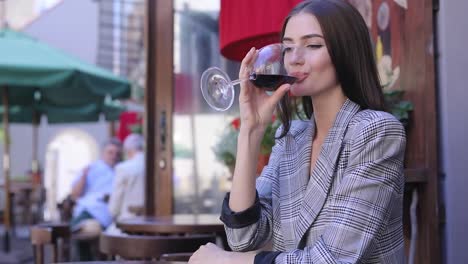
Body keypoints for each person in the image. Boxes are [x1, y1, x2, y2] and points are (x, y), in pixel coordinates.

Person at [189, 0, 406, 263]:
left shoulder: (376, 132)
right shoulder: (290, 137)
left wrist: (223, 261)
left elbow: (332, 259)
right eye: (288, 47)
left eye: (313, 45)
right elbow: (243, 238)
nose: (294, 58)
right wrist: (251, 132)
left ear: (346, 51)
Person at [70, 138, 122, 232]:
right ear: (103, 153)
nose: (114, 156)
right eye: (110, 152)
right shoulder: (91, 168)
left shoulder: (122, 170)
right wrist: (83, 178)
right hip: (89, 210)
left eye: (117, 154)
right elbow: (75, 194)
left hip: (110, 216)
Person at [106, 133, 145, 235]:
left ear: (128, 150)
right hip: (153, 225)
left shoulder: (123, 168)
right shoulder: (156, 166)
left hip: (128, 225)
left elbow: (114, 208)